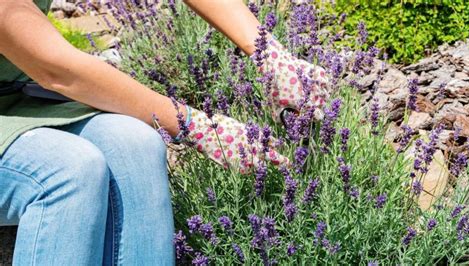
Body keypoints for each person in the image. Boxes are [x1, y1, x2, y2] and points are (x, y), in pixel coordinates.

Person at [0, 0, 328, 265]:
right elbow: (54, 67)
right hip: (31, 83)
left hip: (14, 98)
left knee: (134, 144)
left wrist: (268, 52)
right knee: (67, 171)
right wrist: (199, 126)